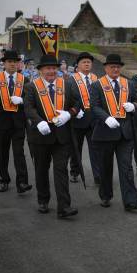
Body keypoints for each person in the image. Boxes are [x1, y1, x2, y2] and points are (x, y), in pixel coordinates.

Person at [24, 54, 80, 218]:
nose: (51, 71)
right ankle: (43, 200)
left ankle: (64, 207)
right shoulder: (31, 86)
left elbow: (78, 103)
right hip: (40, 136)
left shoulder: (67, 84)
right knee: (41, 169)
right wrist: (38, 121)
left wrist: (69, 114)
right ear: (40, 70)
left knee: (61, 170)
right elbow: (28, 107)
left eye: (54, 68)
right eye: (48, 68)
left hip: (62, 136)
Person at [90, 54, 137, 210]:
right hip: (105, 132)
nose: (115, 69)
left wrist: (135, 106)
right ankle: (105, 195)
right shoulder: (97, 85)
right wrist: (106, 118)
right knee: (106, 168)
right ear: (105, 68)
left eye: (118, 66)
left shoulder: (129, 84)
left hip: (125, 133)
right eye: (112, 66)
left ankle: (130, 200)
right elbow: (94, 106)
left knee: (126, 167)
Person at [0, 50, 32, 194]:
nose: (12, 64)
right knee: (3, 152)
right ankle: (4, 180)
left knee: (19, 152)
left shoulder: (25, 80)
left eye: (15, 62)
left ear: (19, 64)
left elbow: (31, 100)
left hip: (18, 121)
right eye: (9, 62)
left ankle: (22, 182)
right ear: (4, 63)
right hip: (1, 121)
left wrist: (23, 100)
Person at [69, 52, 100, 185]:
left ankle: (98, 175)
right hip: (78, 118)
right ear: (78, 65)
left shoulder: (95, 78)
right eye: (84, 62)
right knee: (76, 148)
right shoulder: (71, 79)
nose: (87, 64)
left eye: (89, 62)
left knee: (95, 148)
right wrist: (74, 111)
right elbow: (68, 98)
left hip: (93, 119)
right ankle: (75, 172)